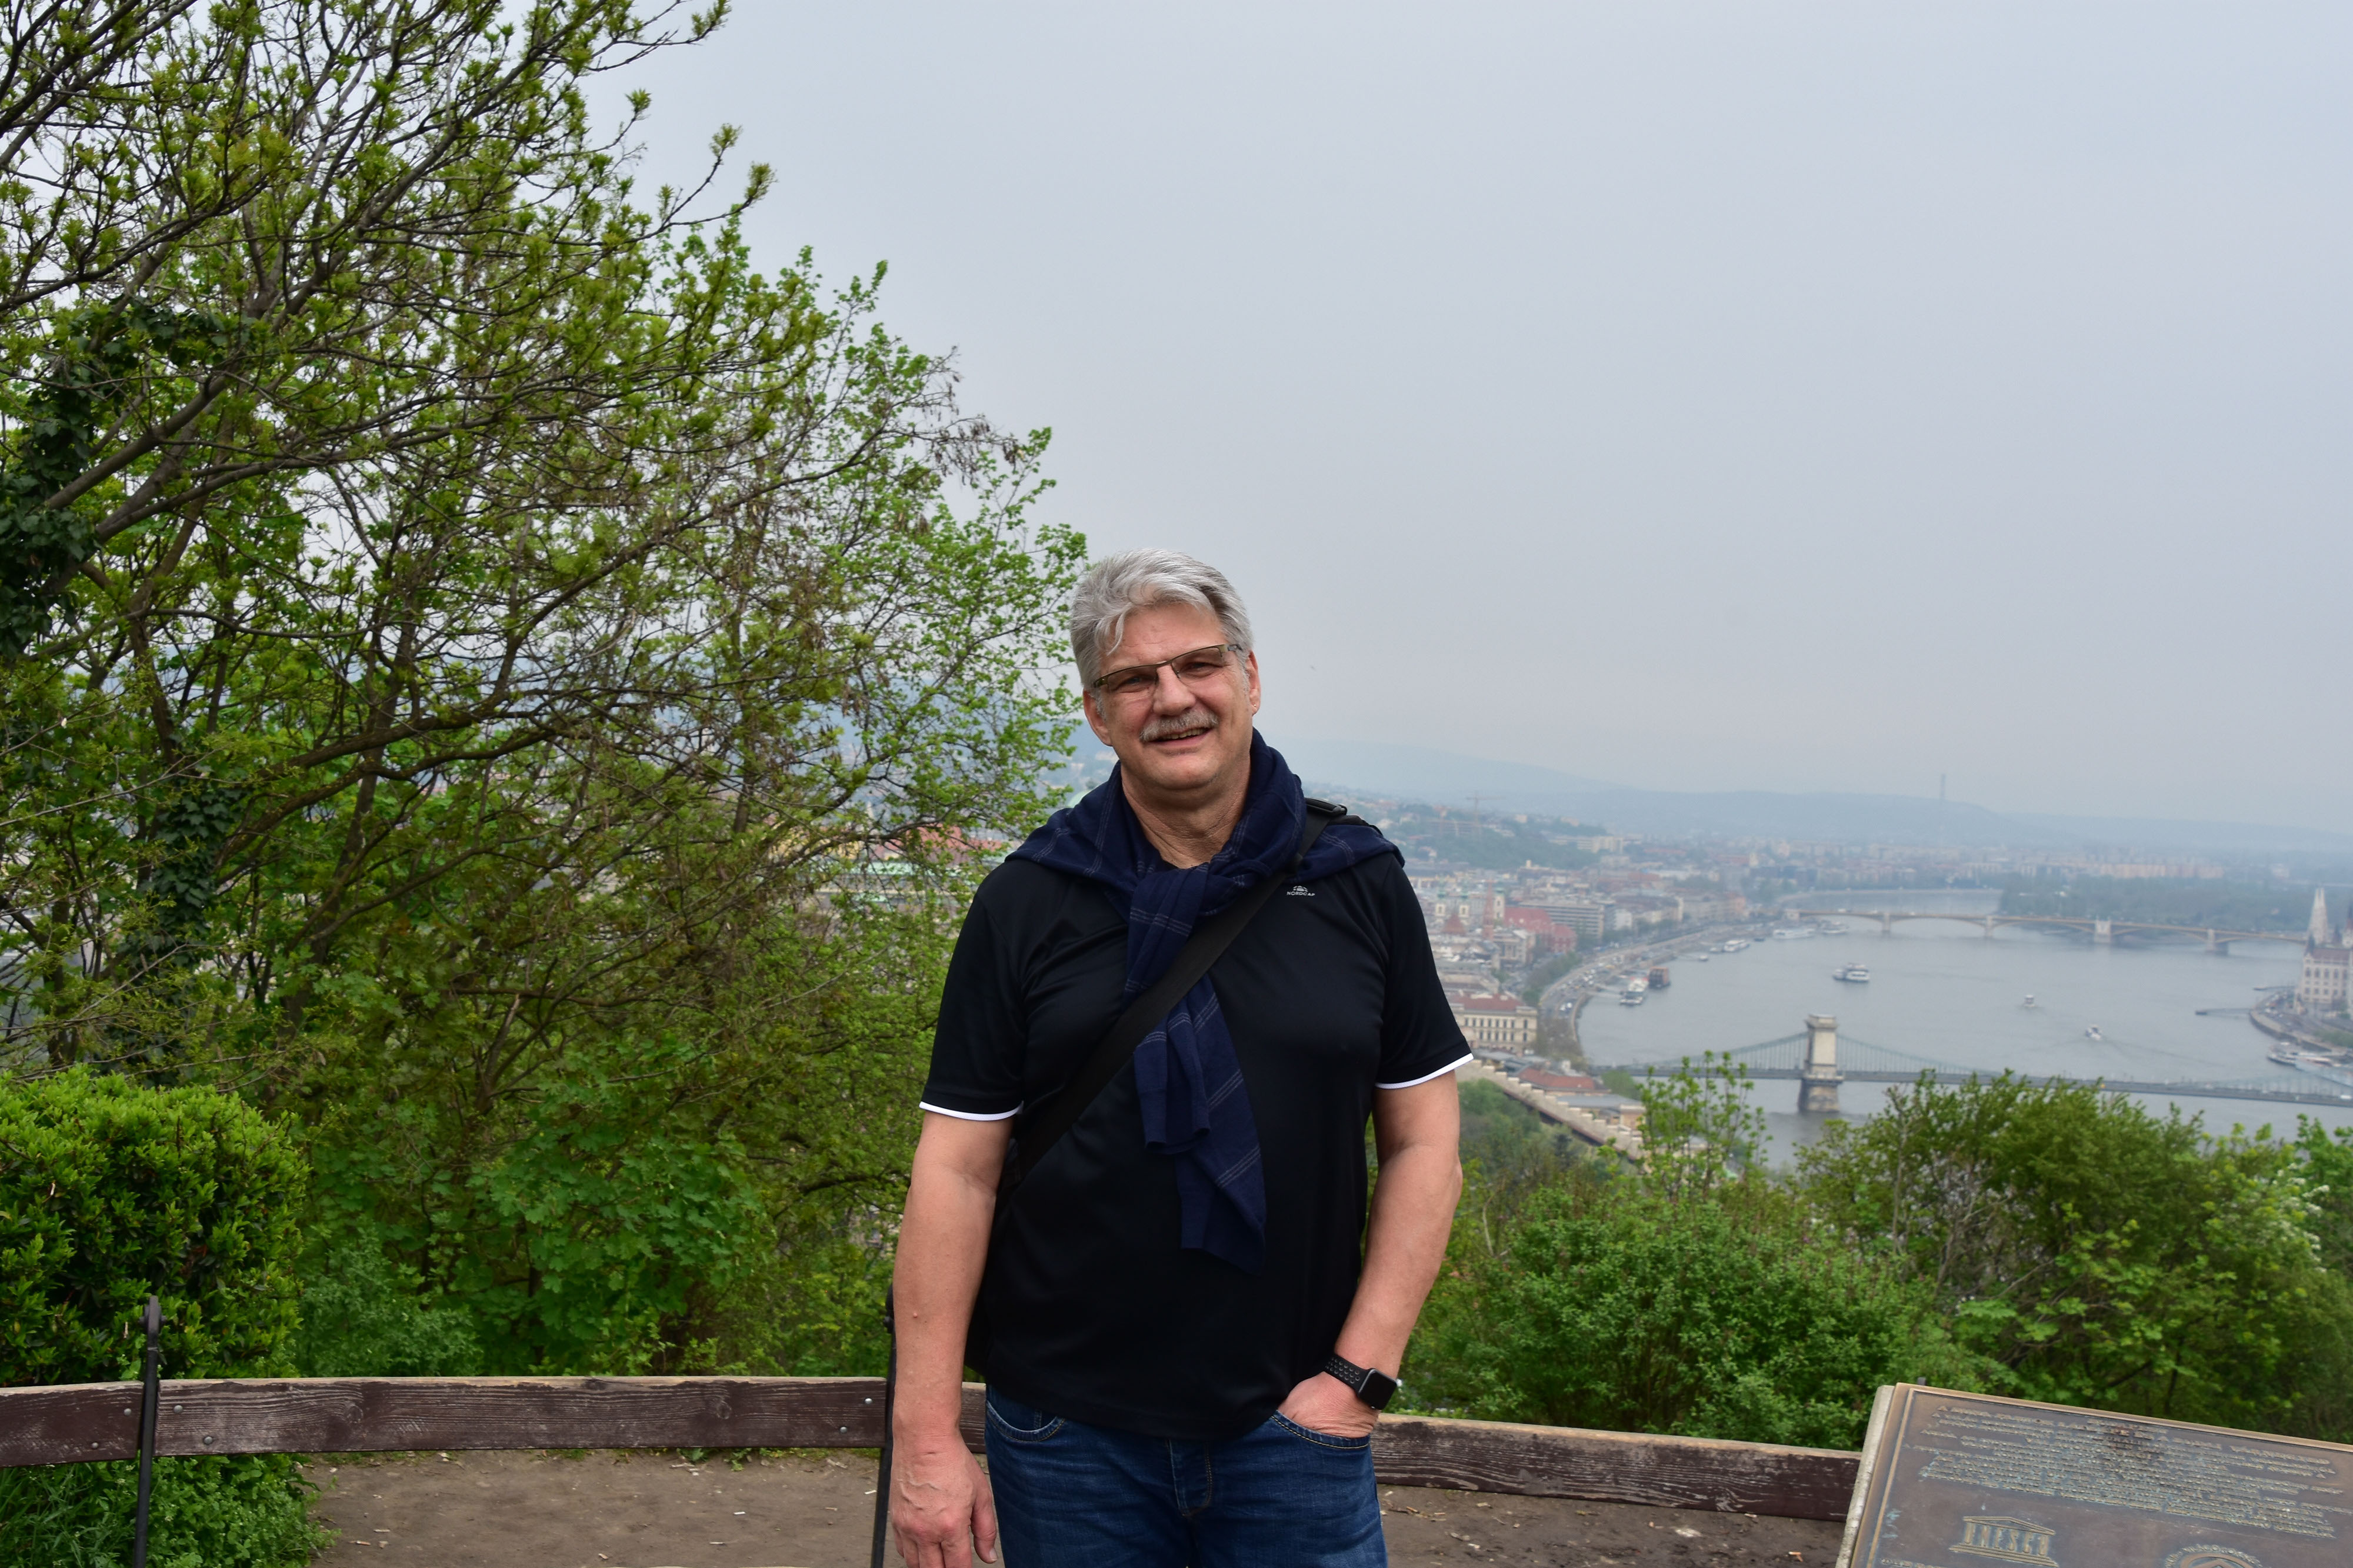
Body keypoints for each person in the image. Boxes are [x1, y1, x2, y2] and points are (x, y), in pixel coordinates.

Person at [886, 549, 1469, 1568]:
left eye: (1198, 664)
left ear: (1250, 677)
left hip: (1297, 1430)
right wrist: (926, 1437)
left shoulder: (1358, 879)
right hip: (1066, 1435)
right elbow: (957, 1168)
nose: (1172, 698)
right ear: (1097, 714)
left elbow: (1425, 1144)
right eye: (1133, 679)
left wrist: (1357, 1381)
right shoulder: (1030, 897)